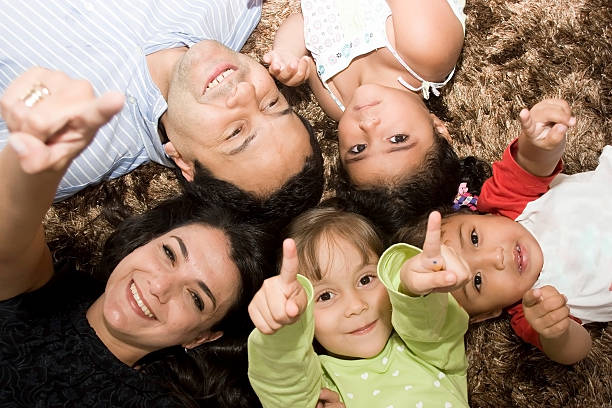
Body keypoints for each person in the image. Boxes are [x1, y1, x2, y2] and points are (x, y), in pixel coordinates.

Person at [0, 67, 276, 407]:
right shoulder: (46, 292)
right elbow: (11, 226)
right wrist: (34, 157)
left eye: (195, 298)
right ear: (144, 242)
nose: (160, 287)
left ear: (201, 337)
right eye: (170, 254)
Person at [0, 0, 323, 216]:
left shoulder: (74, 145)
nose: (244, 92)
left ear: (184, 162)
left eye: (236, 131)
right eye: (271, 103)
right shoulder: (233, 9)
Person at [396, 99, 612, 365]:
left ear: (473, 215)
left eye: (474, 238)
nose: (496, 259)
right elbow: (575, 351)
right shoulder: (530, 311)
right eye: (477, 281)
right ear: (487, 313)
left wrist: (538, 141)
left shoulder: (506, 203)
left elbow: (531, 162)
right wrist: (558, 332)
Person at [262, 0, 466, 231]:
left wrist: (287, 56)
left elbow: (306, 22)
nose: (369, 125)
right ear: (438, 127)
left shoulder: (336, 102)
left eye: (358, 149)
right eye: (398, 139)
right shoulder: (427, 51)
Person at [247, 207, 471, 407]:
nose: (356, 306)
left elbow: (428, 318)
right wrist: (283, 325)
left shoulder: (429, 347)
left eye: (365, 280)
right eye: (325, 296)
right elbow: (282, 377)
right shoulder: (317, 385)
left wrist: (411, 286)